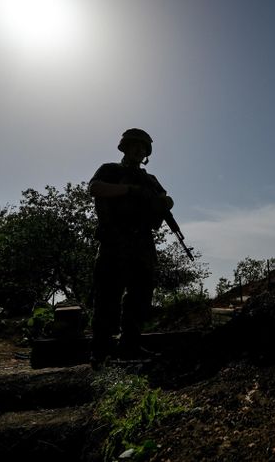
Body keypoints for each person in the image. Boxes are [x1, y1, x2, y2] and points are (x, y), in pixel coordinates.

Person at [88, 128, 174, 368]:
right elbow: (95, 188)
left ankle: (130, 345)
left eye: (143, 147)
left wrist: (161, 201)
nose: (139, 150)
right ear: (124, 147)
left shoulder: (150, 179)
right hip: (114, 241)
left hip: (142, 243)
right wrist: (131, 190)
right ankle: (100, 350)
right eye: (134, 145)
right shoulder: (110, 170)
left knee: (141, 295)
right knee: (107, 297)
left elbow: (166, 201)